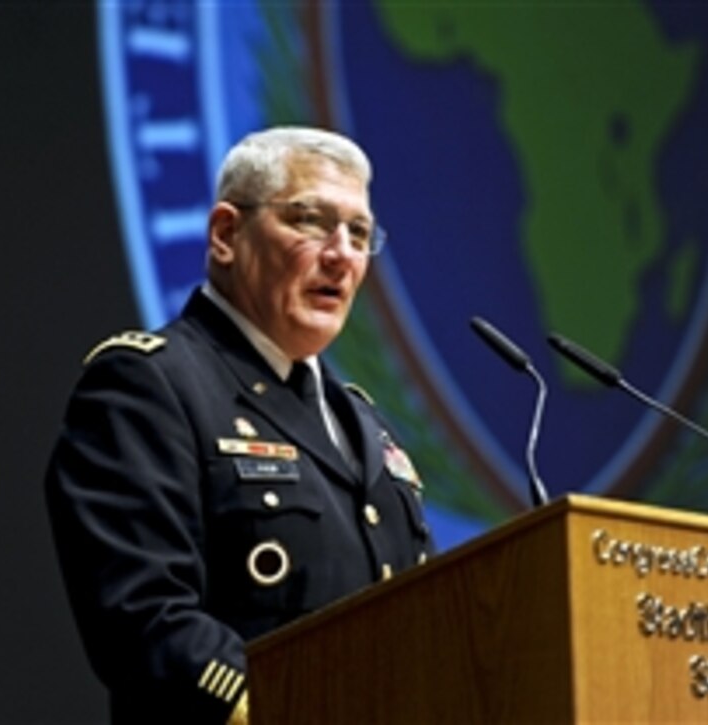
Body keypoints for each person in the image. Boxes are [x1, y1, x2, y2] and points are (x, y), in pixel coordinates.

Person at [45, 127, 434, 724]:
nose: (342, 254)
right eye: (310, 221)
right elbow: (145, 620)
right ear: (226, 234)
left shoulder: (365, 423)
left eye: (359, 233)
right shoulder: (150, 386)